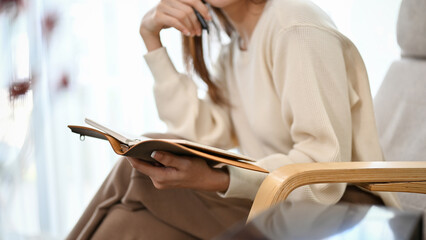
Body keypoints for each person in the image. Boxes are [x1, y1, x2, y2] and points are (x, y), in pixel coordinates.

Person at [67, 0, 400, 239]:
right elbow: (204, 134)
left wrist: (219, 179)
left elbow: (323, 173)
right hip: (274, 202)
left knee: (136, 176)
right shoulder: (235, 47)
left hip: (341, 210)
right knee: (129, 224)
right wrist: (151, 39)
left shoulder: (296, 26)